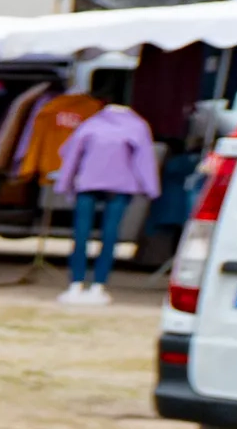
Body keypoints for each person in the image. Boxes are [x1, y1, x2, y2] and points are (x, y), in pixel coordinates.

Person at [54, 94, 160, 306]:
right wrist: (151, 189)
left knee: (80, 235)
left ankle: (75, 284)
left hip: (88, 184)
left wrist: (64, 183)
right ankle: (98, 286)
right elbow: (144, 160)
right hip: (120, 187)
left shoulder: (91, 124)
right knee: (110, 236)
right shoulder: (137, 126)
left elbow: (70, 153)